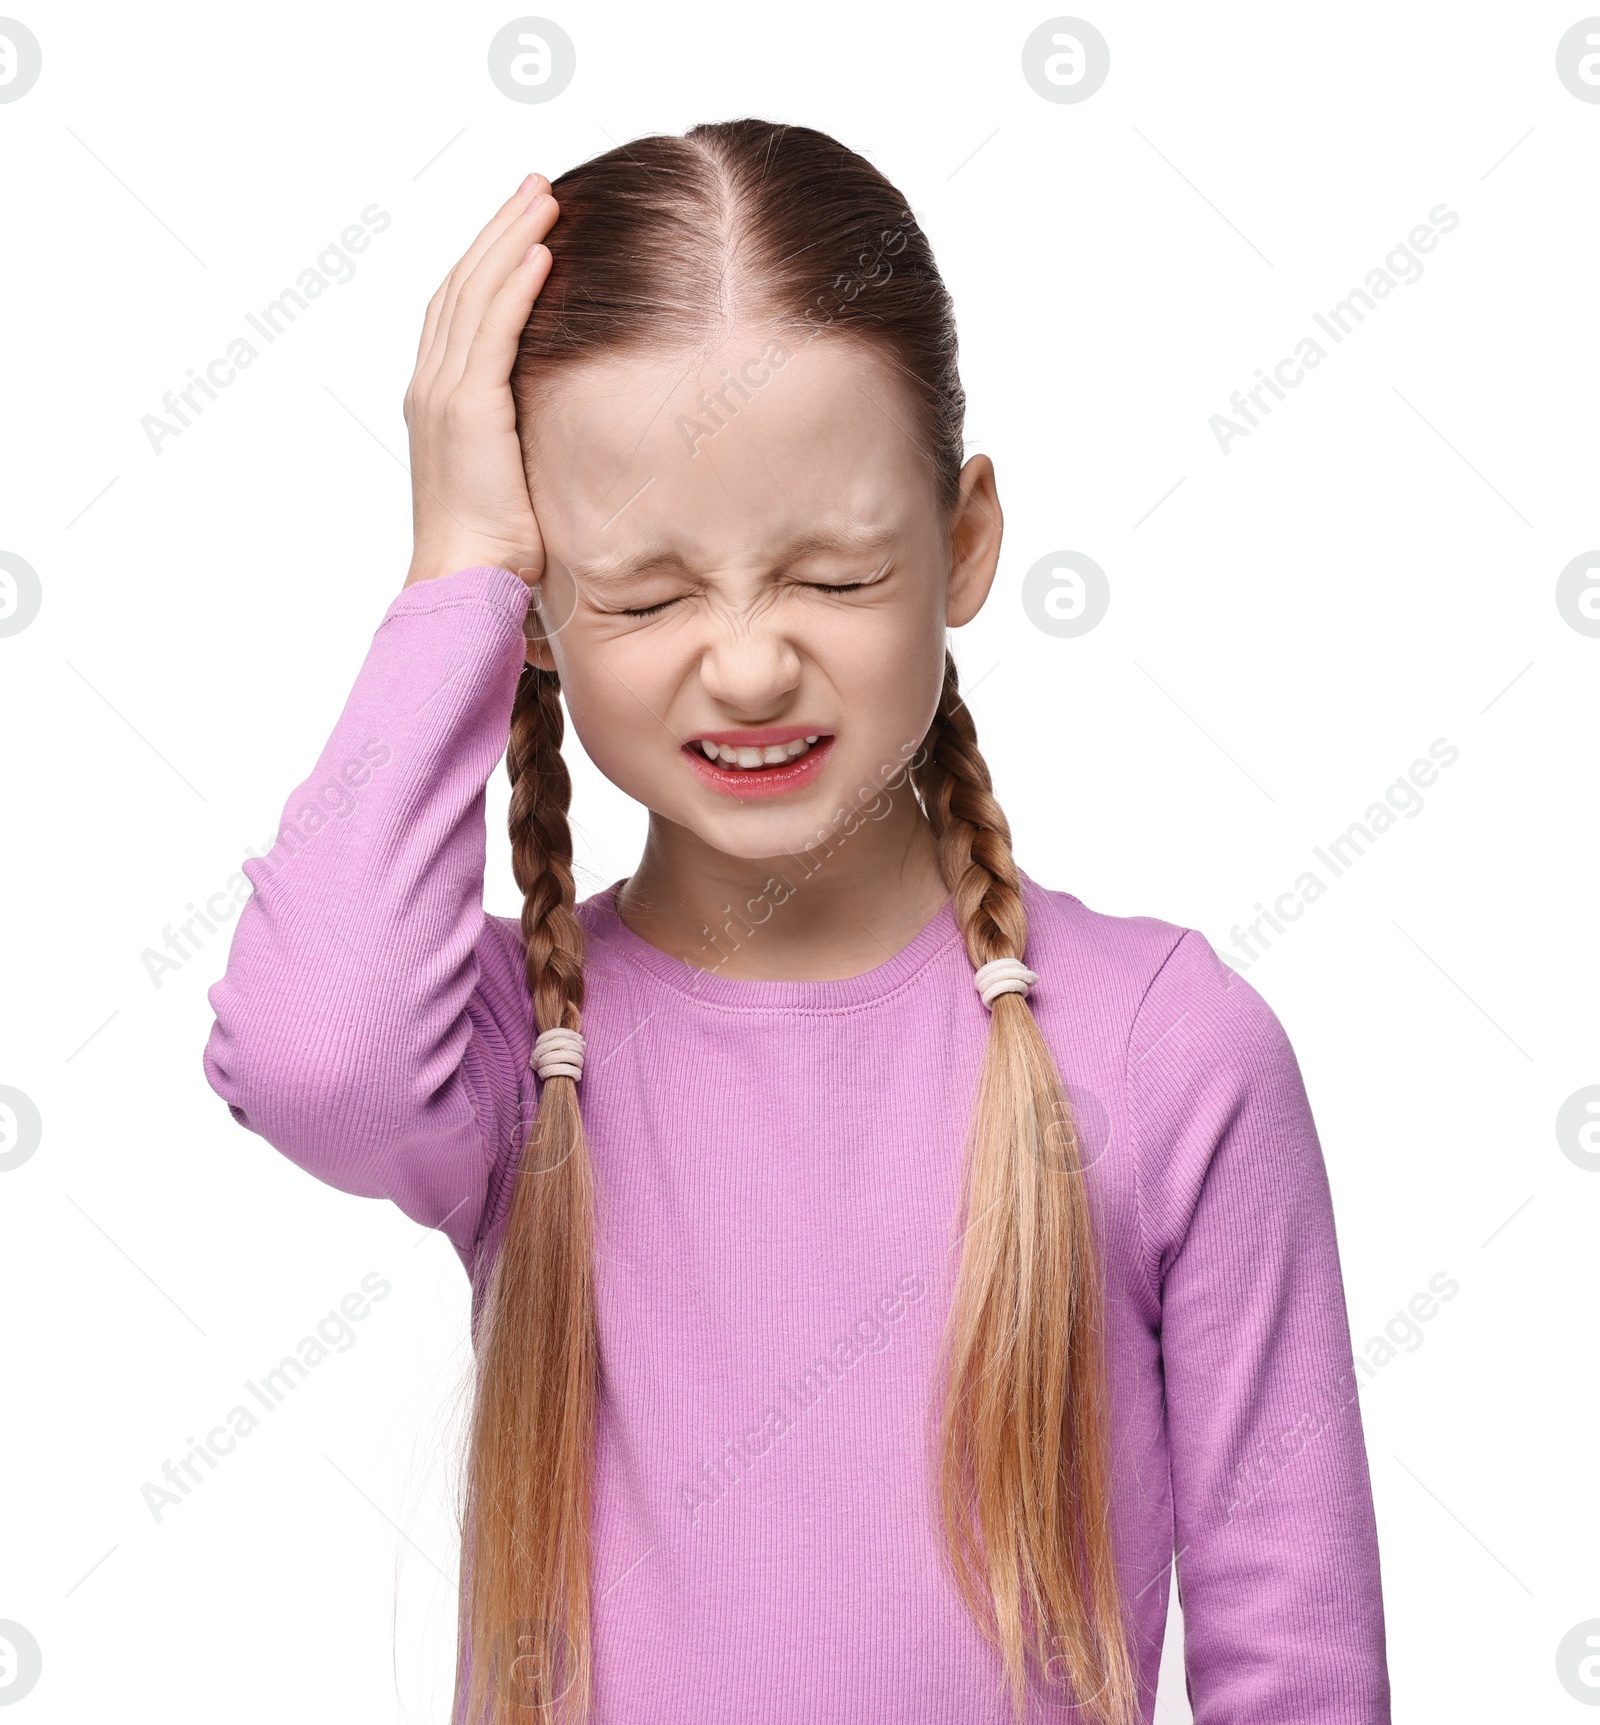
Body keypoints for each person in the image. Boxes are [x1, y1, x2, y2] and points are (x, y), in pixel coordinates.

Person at [202, 119, 1390, 1725]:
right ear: (546, 616)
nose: (750, 663)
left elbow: (1302, 1677)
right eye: (642, 593)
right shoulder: (520, 1058)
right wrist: (458, 571)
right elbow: (313, 1050)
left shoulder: (1171, 1053)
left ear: (965, 542)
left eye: (830, 575)